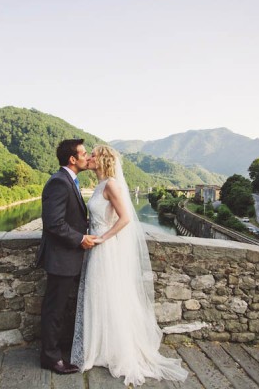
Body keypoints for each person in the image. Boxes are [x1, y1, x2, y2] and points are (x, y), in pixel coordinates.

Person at [71, 145, 188, 386]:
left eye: (93, 155)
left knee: (107, 294)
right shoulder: (100, 185)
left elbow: (125, 218)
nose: (90, 158)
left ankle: (114, 350)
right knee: (98, 295)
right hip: (96, 248)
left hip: (106, 249)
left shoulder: (112, 184)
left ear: (103, 160)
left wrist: (103, 237)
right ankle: (101, 348)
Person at [36, 139, 97, 375]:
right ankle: (50, 359)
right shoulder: (59, 182)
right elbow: (54, 223)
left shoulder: (69, 180)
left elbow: (72, 218)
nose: (87, 157)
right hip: (61, 258)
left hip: (68, 258)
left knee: (60, 308)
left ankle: (57, 351)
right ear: (72, 159)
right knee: (54, 309)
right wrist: (81, 239)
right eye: (83, 154)